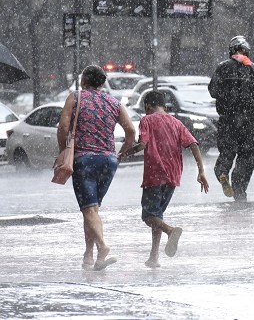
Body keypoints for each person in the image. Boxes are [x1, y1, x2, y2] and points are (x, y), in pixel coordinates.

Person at [57, 65, 136, 271]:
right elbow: (130, 130)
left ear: (83, 82)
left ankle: (102, 247)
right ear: (102, 83)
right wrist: (123, 152)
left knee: (89, 209)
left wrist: (62, 150)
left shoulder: (76, 97)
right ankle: (89, 255)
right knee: (92, 210)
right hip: (108, 161)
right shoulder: (114, 102)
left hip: (84, 160)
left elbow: (64, 126)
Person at [121, 90, 210, 268]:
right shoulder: (176, 123)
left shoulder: (147, 120)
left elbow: (143, 144)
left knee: (148, 216)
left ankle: (170, 231)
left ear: (147, 106)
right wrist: (201, 171)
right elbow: (193, 144)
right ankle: (154, 257)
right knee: (157, 215)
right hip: (173, 174)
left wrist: (124, 153)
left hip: (155, 173)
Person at [208, 36, 254, 202]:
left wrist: (226, 95)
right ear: (246, 51)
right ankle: (239, 190)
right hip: (247, 121)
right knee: (247, 155)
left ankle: (222, 170)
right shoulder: (252, 69)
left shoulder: (222, 68)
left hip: (227, 120)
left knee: (227, 151)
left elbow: (213, 90)